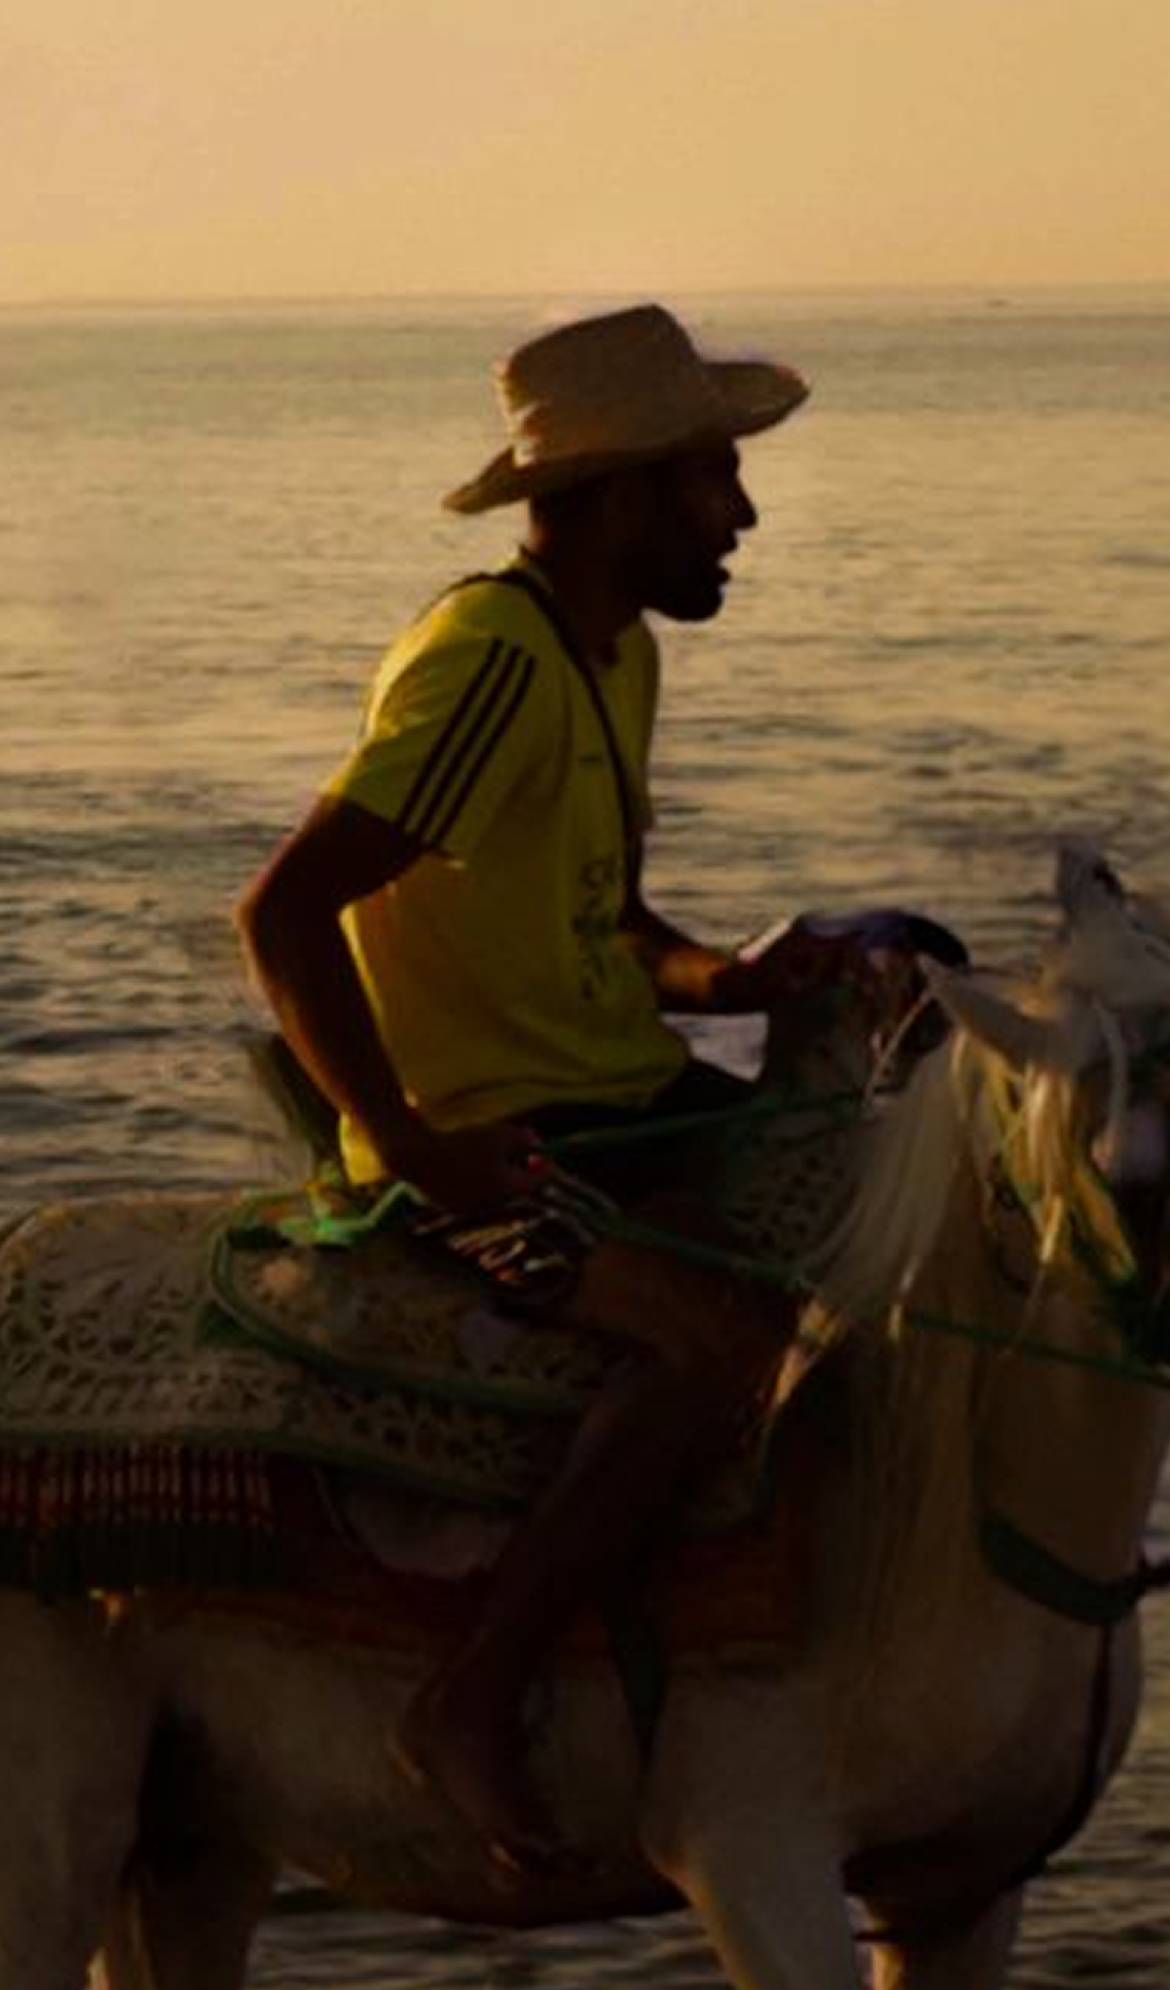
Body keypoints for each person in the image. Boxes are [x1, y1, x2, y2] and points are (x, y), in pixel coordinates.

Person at [236, 303, 867, 1882]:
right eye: (712, 479)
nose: (741, 515)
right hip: (510, 1135)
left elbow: (612, 927)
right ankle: (474, 1685)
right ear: (614, 495)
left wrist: (735, 978)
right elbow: (284, 913)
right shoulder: (487, 664)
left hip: (629, 1088)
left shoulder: (615, 655)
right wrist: (411, 1149)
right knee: (708, 1347)